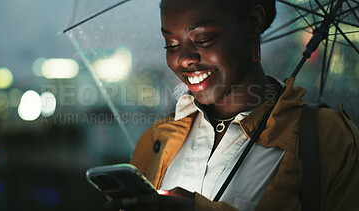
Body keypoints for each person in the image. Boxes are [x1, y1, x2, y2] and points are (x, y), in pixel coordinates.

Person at [105, 0, 359, 210]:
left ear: (253, 23)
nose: (183, 60)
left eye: (202, 39)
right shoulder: (156, 142)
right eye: (171, 45)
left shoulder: (326, 140)